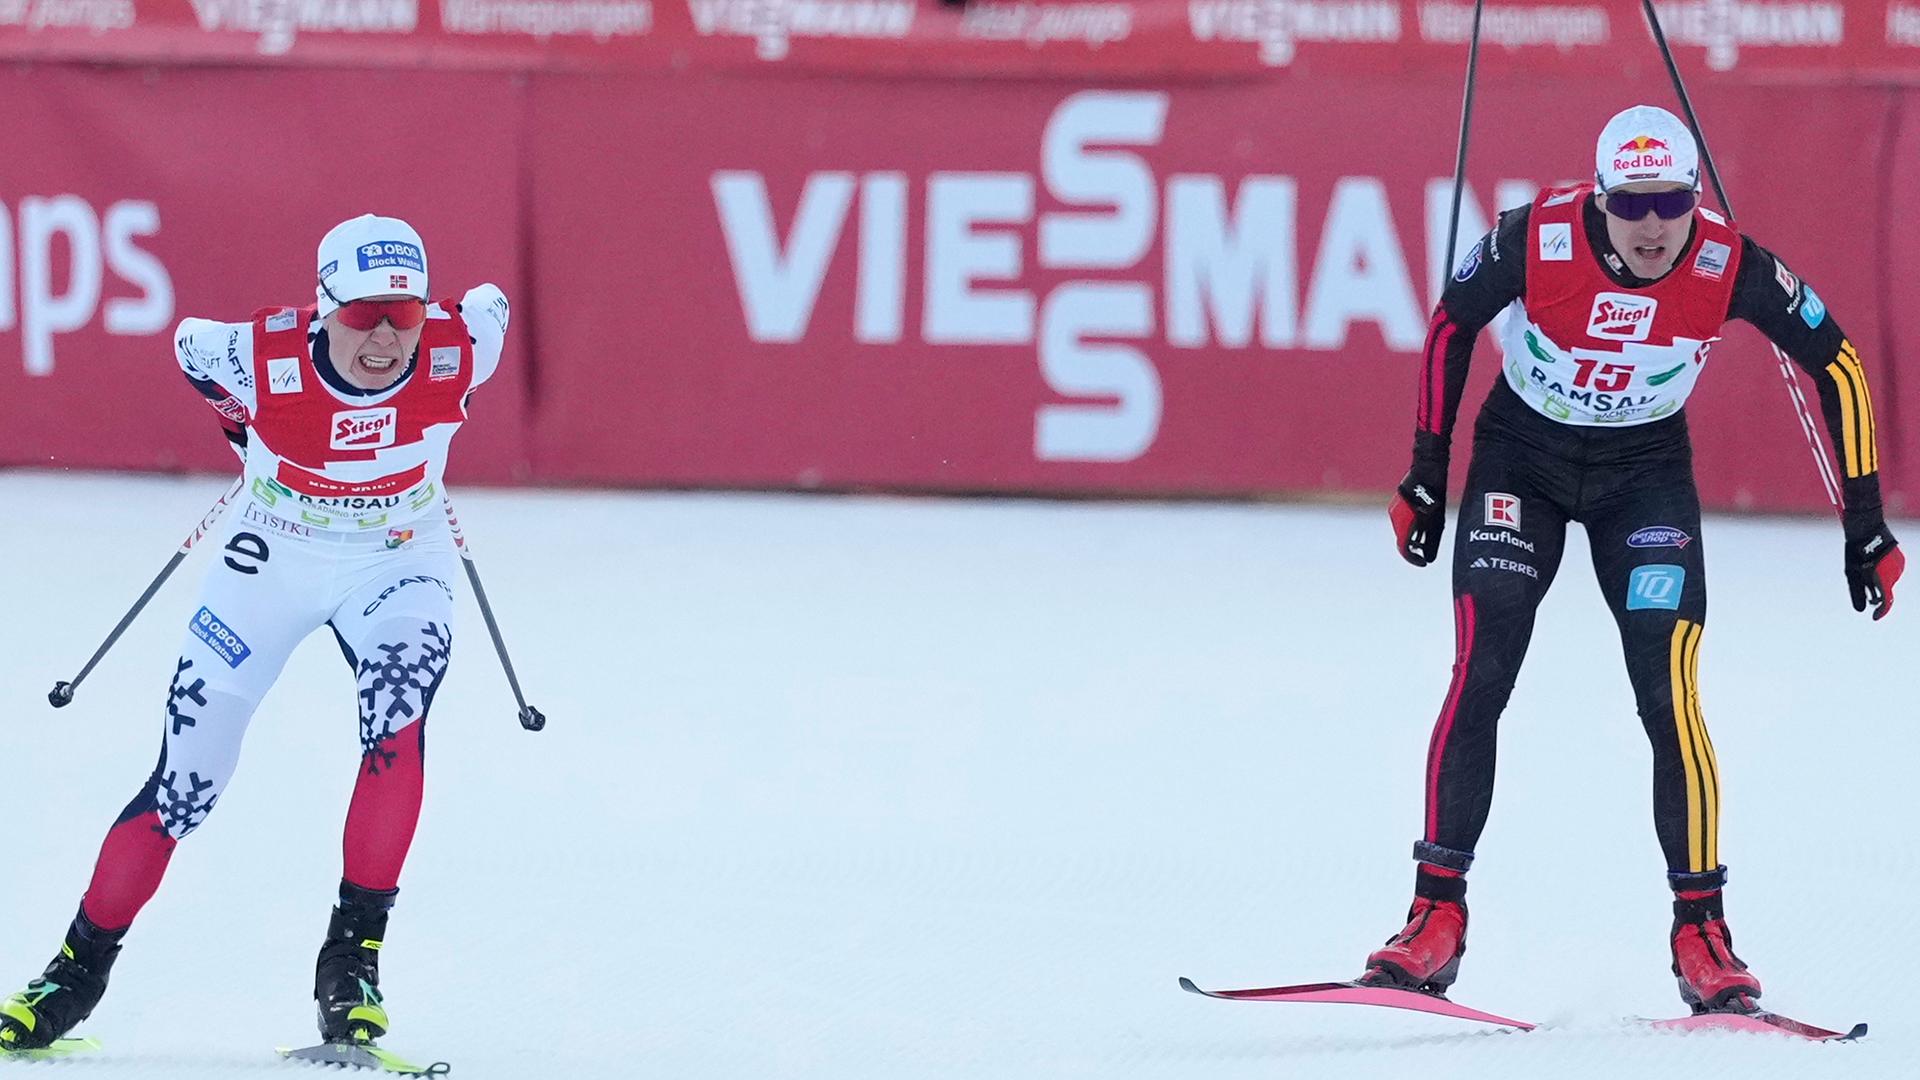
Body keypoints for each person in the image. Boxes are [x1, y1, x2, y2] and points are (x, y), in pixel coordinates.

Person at [1364, 106, 1903, 1012]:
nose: (1654, 226)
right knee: (1482, 668)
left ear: (1695, 197)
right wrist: (1425, 474)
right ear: (1603, 196)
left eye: (1673, 203)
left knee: (1669, 690)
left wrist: (1867, 523)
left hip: (1642, 477)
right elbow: (1452, 326)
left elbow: (1838, 361)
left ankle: (1703, 933)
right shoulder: (1534, 237)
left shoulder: (1726, 260)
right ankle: (1434, 917)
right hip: (1521, 464)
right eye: (1633, 203)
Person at [0, 215, 510, 1052]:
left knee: (397, 722)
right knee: (186, 784)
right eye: (360, 317)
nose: (384, 337)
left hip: (397, 564)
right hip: (269, 562)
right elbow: (189, 345)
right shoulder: (256, 354)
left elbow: (492, 301)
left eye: (404, 315)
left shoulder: (466, 339)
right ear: (323, 308)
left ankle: (352, 965)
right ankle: (72, 974)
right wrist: (244, 431)